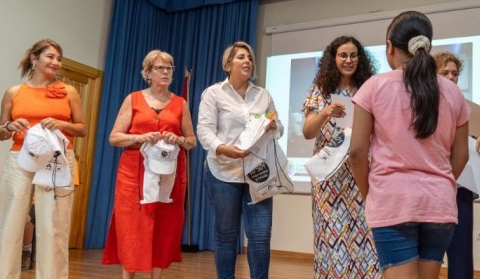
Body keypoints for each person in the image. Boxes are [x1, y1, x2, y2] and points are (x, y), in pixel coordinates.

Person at [349, 11, 470, 279]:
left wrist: (371, 194)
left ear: (390, 48)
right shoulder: (453, 92)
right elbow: (461, 155)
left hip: (392, 202)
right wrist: (439, 181)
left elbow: (356, 152)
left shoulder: (374, 87)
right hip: (438, 204)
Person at [0, 38, 86, 278]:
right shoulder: (14, 92)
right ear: (34, 59)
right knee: (10, 223)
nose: (56, 62)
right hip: (20, 158)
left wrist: (62, 123)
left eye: (59, 58)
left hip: (56, 159)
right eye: (50, 57)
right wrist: (10, 125)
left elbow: (82, 128)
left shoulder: (69, 91)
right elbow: (0, 132)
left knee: (52, 226)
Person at [102, 50, 197, 279]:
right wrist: (139, 138)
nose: (165, 72)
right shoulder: (133, 99)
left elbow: (192, 141)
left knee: (165, 223)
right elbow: (114, 137)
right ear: (147, 72)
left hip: (168, 172)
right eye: (160, 68)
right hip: (134, 170)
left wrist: (180, 140)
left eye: (169, 68)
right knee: (132, 224)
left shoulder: (180, 103)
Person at [197, 41, 283, 279]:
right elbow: (204, 131)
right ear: (228, 64)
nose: (247, 61)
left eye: (250, 58)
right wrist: (224, 149)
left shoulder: (263, 95)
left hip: (258, 173)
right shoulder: (213, 93)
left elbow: (279, 128)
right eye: (241, 57)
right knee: (226, 235)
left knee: (260, 235)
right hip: (223, 172)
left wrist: (274, 125)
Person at [301, 36, 380, 278]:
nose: (348, 60)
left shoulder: (368, 88)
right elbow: (307, 132)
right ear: (332, 59)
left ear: (360, 59)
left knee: (364, 241)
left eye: (353, 55)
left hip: (360, 176)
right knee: (331, 241)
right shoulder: (320, 90)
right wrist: (325, 112)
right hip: (328, 181)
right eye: (343, 55)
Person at [434, 51, 480, 279]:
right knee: (429, 254)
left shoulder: (466, 108)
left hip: (461, 187)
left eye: (454, 73)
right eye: (444, 72)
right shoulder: (423, 104)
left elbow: (470, 142)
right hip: (433, 186)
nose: (451, 77)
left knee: (461, 252)